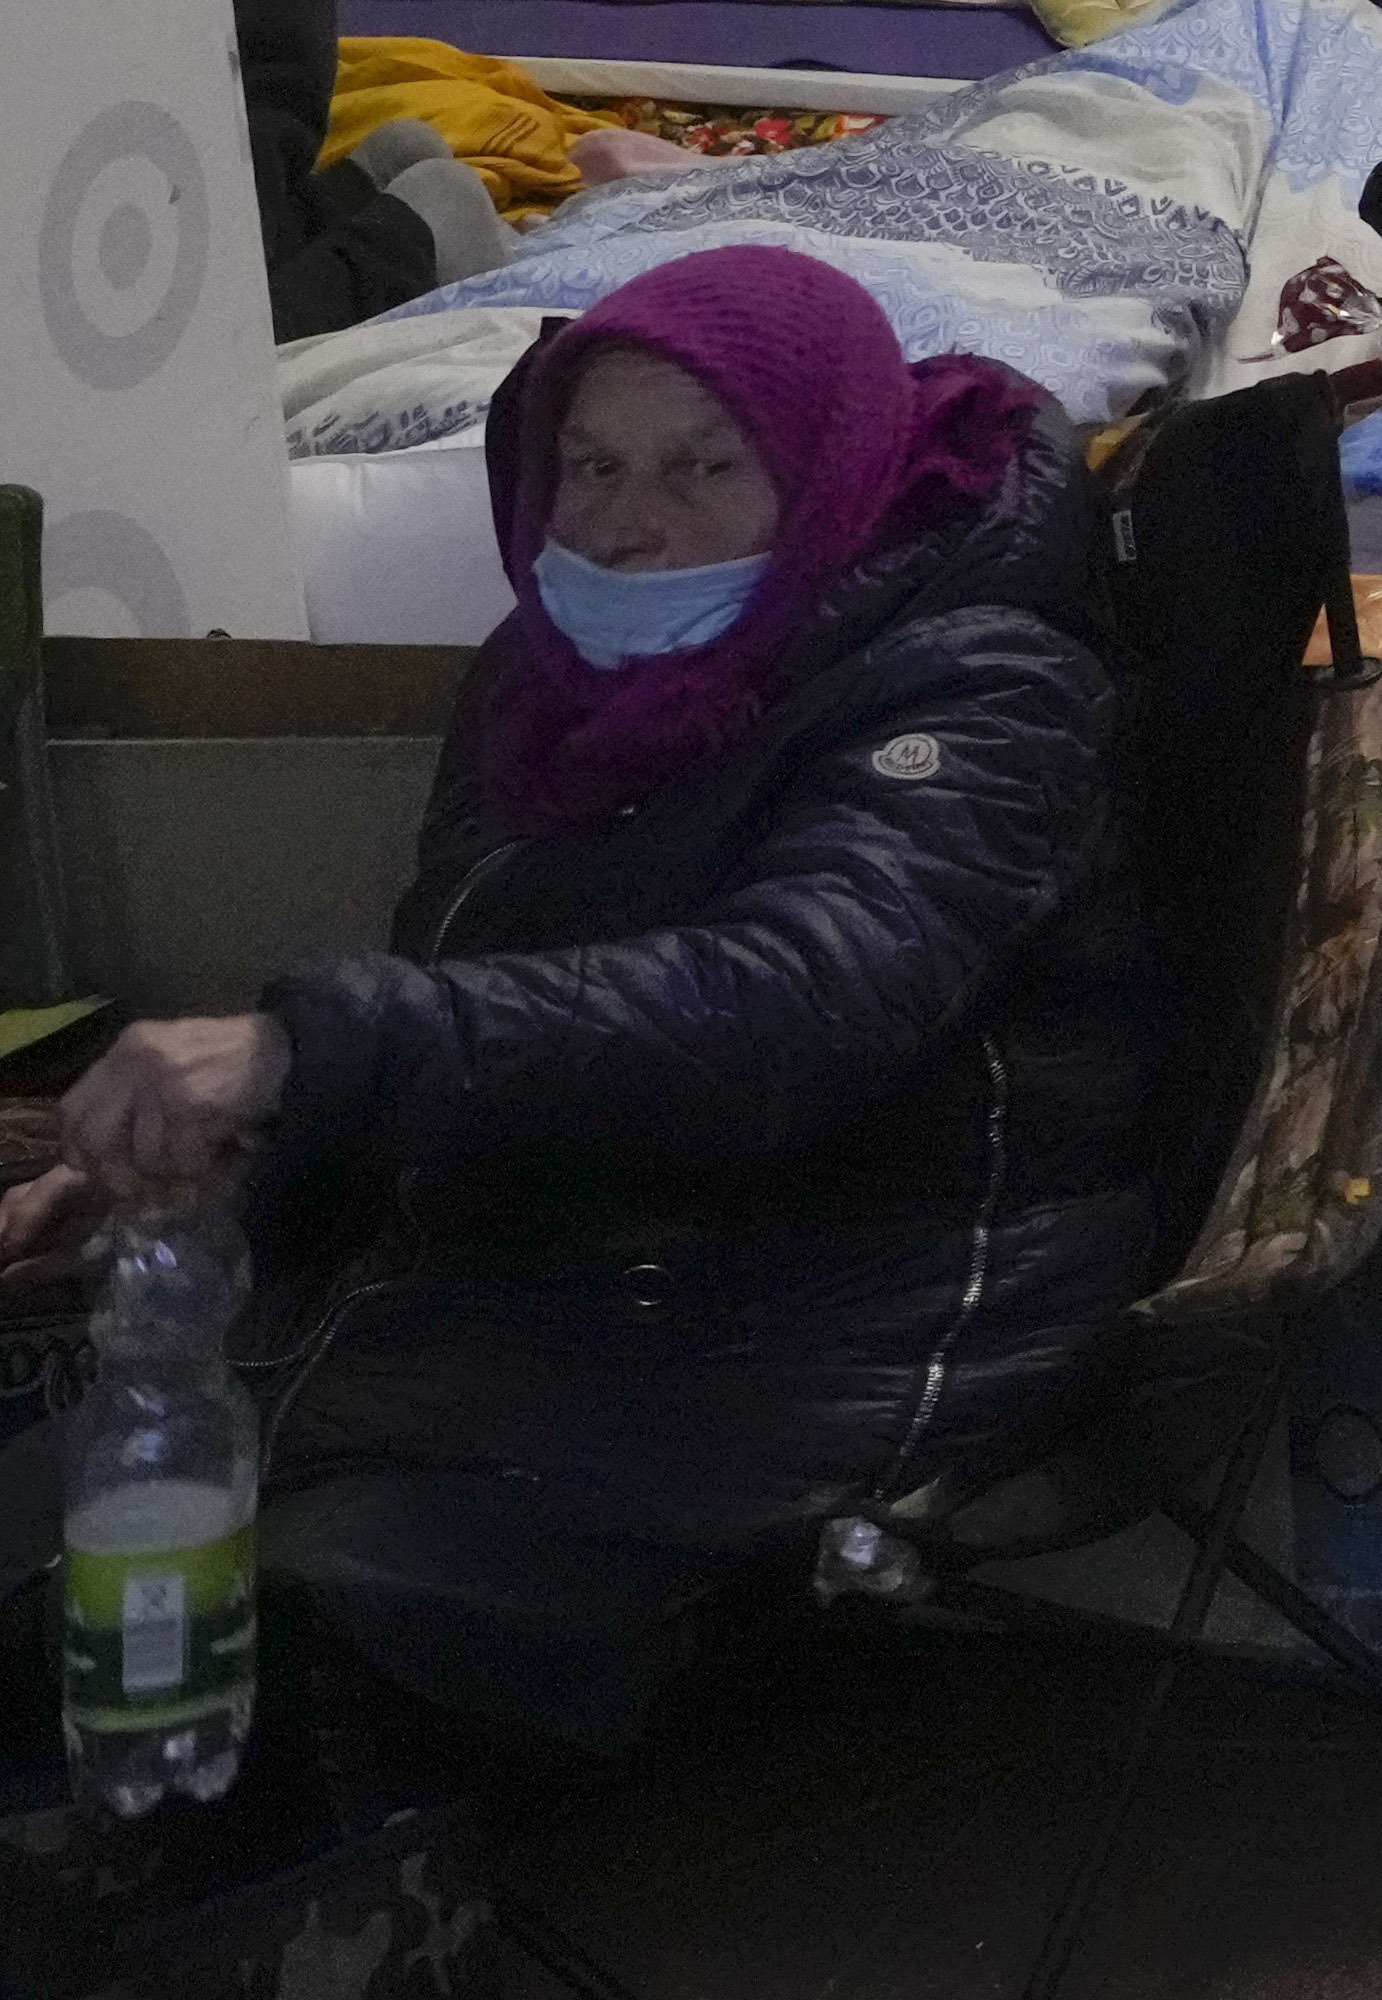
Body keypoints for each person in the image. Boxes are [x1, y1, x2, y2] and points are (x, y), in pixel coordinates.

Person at [2, 253, 1142, 1759]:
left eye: (702, 467)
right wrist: (211, 1172)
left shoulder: (976, 691)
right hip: (577, 1266)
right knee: (65, 1533)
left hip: (822, 1305)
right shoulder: (548, 689)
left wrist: (299, 1049)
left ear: (826, 474)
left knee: (171, 1626)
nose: (625, 522)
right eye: (590, 467)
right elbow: (500, 1033)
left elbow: (786, 1015)